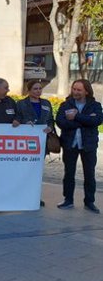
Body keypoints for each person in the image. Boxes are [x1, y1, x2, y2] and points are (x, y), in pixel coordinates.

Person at [56, 79, 103, 213]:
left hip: (88, 144)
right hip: (70, 144)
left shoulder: (95, 105)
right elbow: (61, 122)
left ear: (86, 91)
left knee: (89, 174)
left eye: (79, 90)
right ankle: (68, 200)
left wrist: (76, 117)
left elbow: (97, 120)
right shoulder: (66, 104)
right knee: (69, 173)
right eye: (74, 89)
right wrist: (84, 121)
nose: (75, 92)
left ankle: (89, 202)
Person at [16, 79, 55, 208]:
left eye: (40, 89)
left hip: (41, 143)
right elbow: (16, 119)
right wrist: (24, 123)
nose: (38, 91)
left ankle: (35, 196)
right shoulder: (21, 104)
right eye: (35, 89)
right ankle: (21, 196)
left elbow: (50, 120)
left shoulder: (46, 103)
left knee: (37, 171)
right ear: (29, 90)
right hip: (25, 143)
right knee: (24, 171)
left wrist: (50, 127)